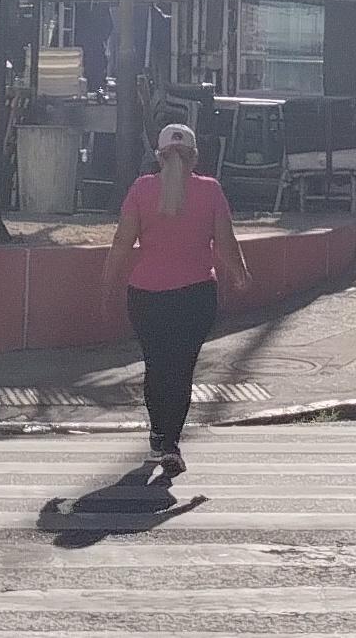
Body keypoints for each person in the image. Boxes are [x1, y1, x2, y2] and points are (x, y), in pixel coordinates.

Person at [109, 119, 252, 471]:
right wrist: (241, 276)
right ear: (194, 157)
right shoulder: (210, 190)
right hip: (195, 296)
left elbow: (122, 242)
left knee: (155, 365)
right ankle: (171, 442)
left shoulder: (142, 190)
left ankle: (159, 433)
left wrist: (107, 280)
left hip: (145, 296)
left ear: (159, 157)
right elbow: (226, 242)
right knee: (181, 369)